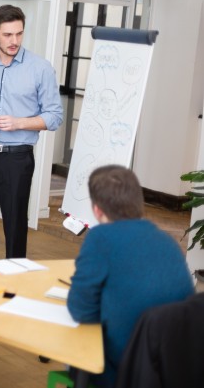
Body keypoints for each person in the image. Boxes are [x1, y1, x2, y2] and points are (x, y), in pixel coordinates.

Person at [67, 165, 194, 388]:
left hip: (126, 368)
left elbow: (81, 310)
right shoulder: (167, 241)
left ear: (97, 210)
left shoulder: (100, 238)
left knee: (74, 352)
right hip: (177, 367)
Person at [0, 4, 64, 262]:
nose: (14, 41)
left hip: (17, 159)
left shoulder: (40, 68)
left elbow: (54, 116)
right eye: (7, 35)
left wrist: (19, 123)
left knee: (15, 227)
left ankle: (14, 284)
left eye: (19, 34)